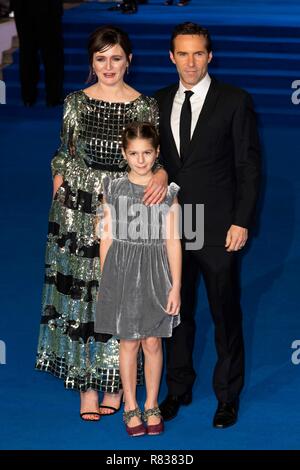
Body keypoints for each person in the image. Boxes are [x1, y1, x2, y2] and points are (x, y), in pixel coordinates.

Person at [35, 25, 168, 421]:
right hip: (79, 211)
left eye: (116, 58)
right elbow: (64, 153)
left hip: (127, 210)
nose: (108, 66)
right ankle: (86, 386)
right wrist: (62, 189)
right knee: (83, 297)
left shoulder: (144, 105)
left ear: (129, 60)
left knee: (121, 296)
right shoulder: (76, 101)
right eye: (100, 58)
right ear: (92, 63)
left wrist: (159, 175)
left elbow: (151, 158)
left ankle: (113, 380)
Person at [155, 22, 261, 428]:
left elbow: (248, 167)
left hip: (217, 226)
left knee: (224, 313)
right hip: (172, 225)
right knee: (176, 313)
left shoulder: (234, 100)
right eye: (183, 53)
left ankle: (228, 396)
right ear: (171, 57)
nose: (190, 62)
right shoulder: (159, 100)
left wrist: (241, 221)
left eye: (198, 53)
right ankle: (177, 389)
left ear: (210, 56)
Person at [95, 122, 181, 436]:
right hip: (122, 271)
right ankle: (130, 404)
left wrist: (177, 285)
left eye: (147, 153)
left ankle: (152, 403)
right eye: (134, 153)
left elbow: (173, 242)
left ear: (157, 153)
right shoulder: (113, 188)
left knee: (153, 341)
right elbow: (106, 237)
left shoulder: (168, 193)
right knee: (128, 341)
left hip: (157, 273)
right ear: (124, 153)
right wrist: (107, 281)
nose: (141, 160)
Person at [10, 0, 64, 106]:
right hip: (47, 9)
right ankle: (53, 96)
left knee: (27, 53)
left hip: (23, 8)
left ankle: (28, 97)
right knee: (51, 54)